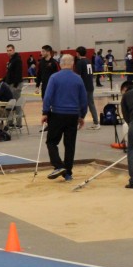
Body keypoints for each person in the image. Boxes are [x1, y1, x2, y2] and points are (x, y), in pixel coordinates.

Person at [41, 54, 87, 182]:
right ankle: (68, 173)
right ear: (72, 64)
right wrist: (82, 116)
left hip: (57, 114)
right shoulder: (78, 78)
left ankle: (58, 165)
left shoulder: (54, 77)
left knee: (51, 142)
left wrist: (45, 112)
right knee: (70, 145)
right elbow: (84, 99)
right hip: (73, 115)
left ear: (60, 64)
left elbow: (47, 96)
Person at [74, 47, 100, 129]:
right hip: (90, 86)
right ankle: (96, 122)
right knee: (91, 104)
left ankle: (78, 123)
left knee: (79, 105)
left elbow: (78, 76)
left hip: (83, 87)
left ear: (78, 53)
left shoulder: (79, 62)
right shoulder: (89, 61)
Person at [4, 44, 24, 127]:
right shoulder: (11, 60)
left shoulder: (17, 60)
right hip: (10, 84)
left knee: (17, 104)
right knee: (10, 104)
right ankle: (10, 122)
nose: (8, 52)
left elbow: (18, 73)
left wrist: (15, 85)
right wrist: (2, 81)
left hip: (15, 85)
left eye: (10, 50)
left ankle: (19, 123)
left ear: (14, 50)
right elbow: (9, 74)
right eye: (7, 50)